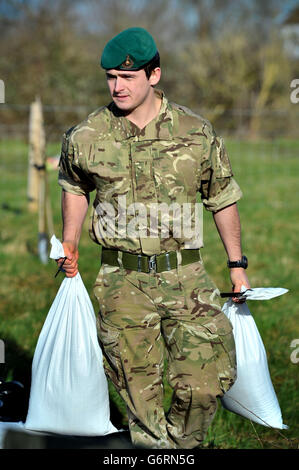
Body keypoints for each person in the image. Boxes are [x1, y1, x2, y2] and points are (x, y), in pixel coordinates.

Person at [57, 27, 251, 449]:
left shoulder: (197, 132)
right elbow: (74, 186)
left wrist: (237, 267)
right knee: (139, 396)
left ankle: (182, 449)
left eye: (128, 77)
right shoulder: (87, 135)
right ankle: (155, 451)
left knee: (205, 384)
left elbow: (222, 198)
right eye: (111, 76)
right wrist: (69, 241)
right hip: (120, 282)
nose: (117, 86)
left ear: (155, 75)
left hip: (187, 277)